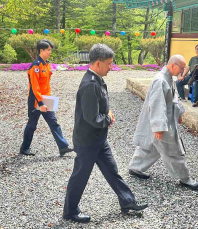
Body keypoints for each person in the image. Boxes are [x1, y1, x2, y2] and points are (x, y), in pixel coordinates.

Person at [63, 44, 148, 224]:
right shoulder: (90, 84)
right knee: (80, 176)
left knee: (112, 171)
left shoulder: (97, 80)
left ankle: (127, 202)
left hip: (98, 138)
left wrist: (107, 117)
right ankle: (70, 211)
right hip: (87, 140)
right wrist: (108, 118)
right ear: (98, 63)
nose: (111, 67)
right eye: (109, 64)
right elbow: (92, 118)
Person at [128, 55, 198, 190]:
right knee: (173, 150)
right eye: (182, 67)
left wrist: (179, 112)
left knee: (151, 146)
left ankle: (135, 167)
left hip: (165, 120)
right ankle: (185, 178)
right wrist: (158, 127)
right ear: (173, 65)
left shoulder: (168, 78)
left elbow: (174, 98)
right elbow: (156, 104)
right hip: (162, 123)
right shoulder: (160, 80)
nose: (183, 70)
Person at [19, 39, 73, 157]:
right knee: (32, 125)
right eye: (48, 50)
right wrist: (41, 103)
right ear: (41, 50)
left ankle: (63, 147)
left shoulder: (47, 64)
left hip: (46, 99)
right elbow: (35, 86)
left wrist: (47, 100)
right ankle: (24, 148)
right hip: (36, 100)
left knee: (54, 123)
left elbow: (46, 85)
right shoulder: (36, 66)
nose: (50, 52)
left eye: (50, 50)